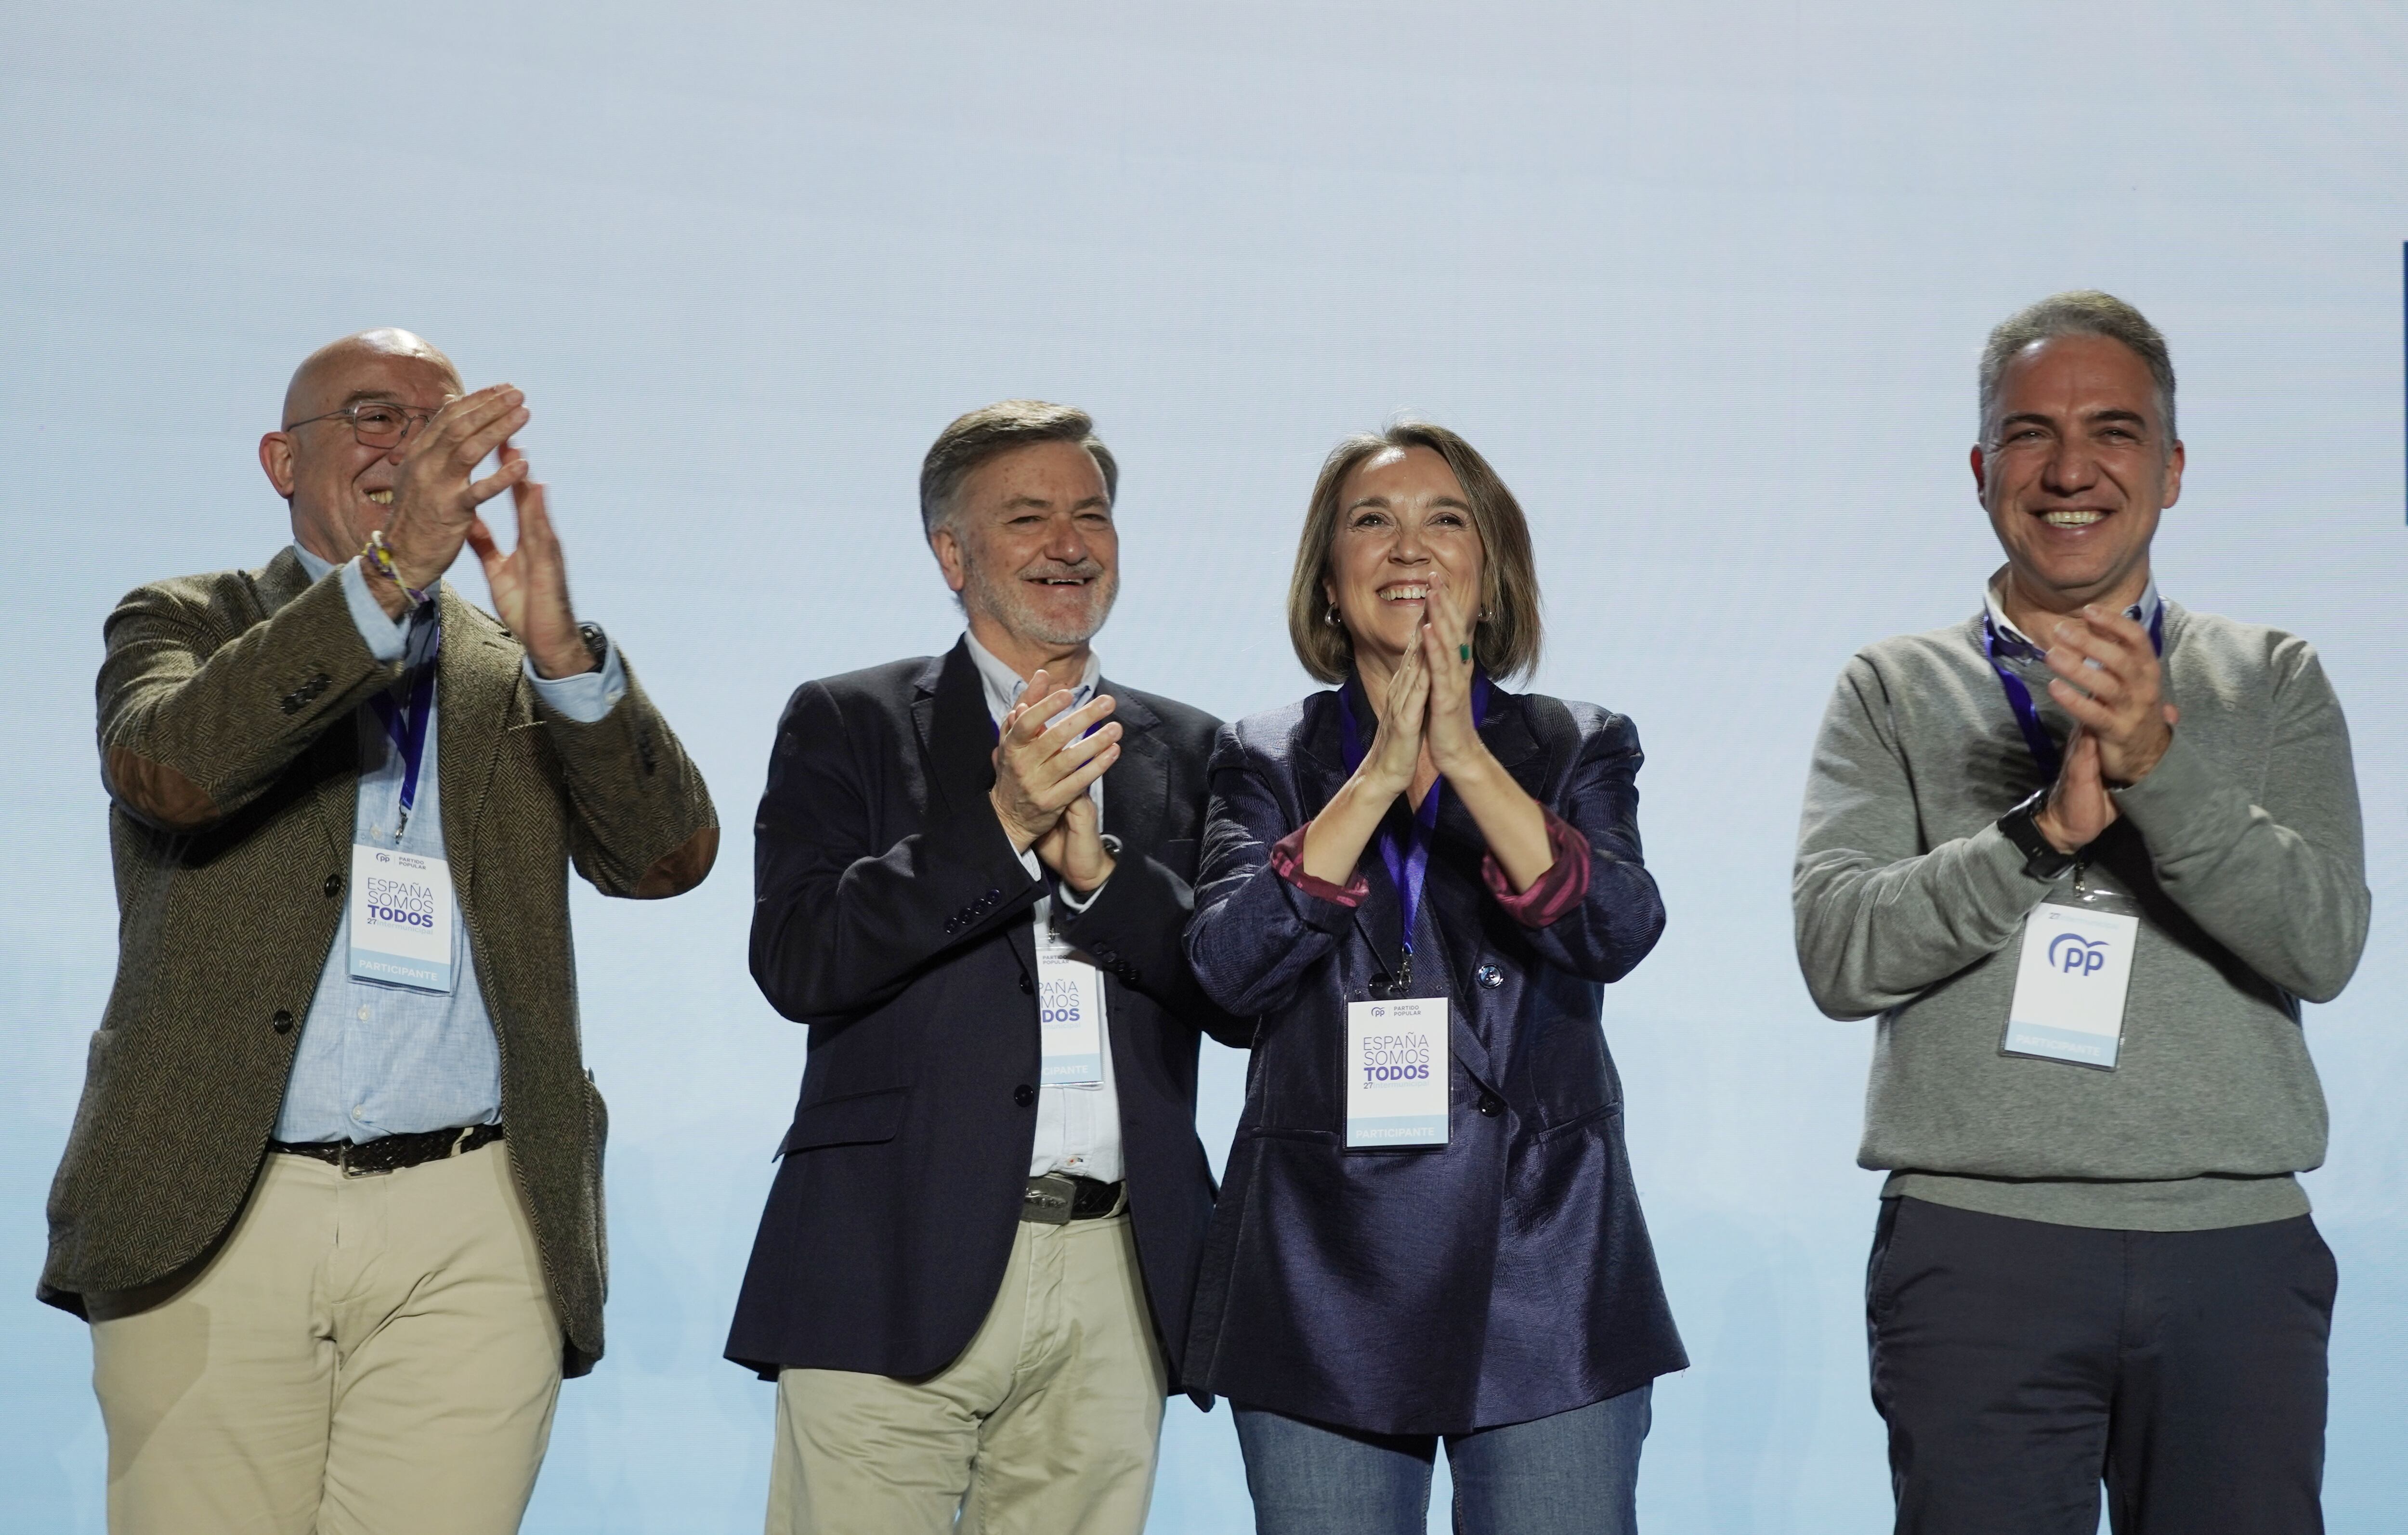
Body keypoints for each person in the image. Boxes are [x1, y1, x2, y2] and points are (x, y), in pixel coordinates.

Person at [39, 328, 720, 1535]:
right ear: (276, 460)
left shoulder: (513, 665)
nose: (409, 448)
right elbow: (171, 770)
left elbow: (665, 859)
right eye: (372, 417)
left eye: (440, 426)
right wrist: (390, 575)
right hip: (218, 1204)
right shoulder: (183, 619)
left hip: (475, 1218)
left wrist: (566, 658)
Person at [1793, 291, 2368, 1534]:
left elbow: (2324, 942)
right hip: (1979, 1243)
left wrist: (2166, 767)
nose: (2070, 469)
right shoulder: (1892, 686)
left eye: (2113, 432)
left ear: (2169, 470)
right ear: (1981, 468)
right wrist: (2039, 834)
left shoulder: (2273, 679)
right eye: (2028, 433)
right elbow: (1839, 952)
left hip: (2232, 1247)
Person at [729, 400, 1250, 1535]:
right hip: (887, 1256)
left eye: (1091, 515)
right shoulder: (851, 720)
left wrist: (1102, 875)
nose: (1070, 543)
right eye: (1028, 517)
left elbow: (1235, 991)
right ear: (952, 554)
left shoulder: (1196, 749)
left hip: (1116, 1270)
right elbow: (799, 958)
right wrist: (1001, 824)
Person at [1181, 422, 1684, 1535]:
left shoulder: (1576, 741)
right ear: (1326, 580)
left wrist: (1465, 759)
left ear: (1490, 566)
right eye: (1372, 520)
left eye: (1443, 519)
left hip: (1542, 1256)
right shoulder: (1261, 752)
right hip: (1323, 1268)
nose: (1408, 545)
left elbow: (1617, 927)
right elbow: (1225, 971)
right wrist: (1371, 782)